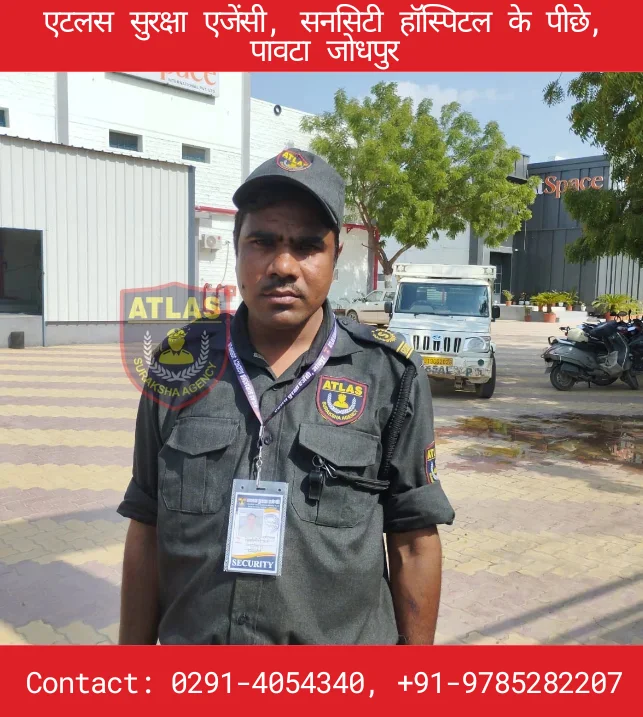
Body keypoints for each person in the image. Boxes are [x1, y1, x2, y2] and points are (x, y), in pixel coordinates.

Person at [117, 148, 455, 646]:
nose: (282, 265)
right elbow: (146, 527)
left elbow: (413, 541)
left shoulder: (388, 374)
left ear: (336, 256)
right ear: (237, 249)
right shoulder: (179, 364)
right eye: (262, 242)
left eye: (307, 246)